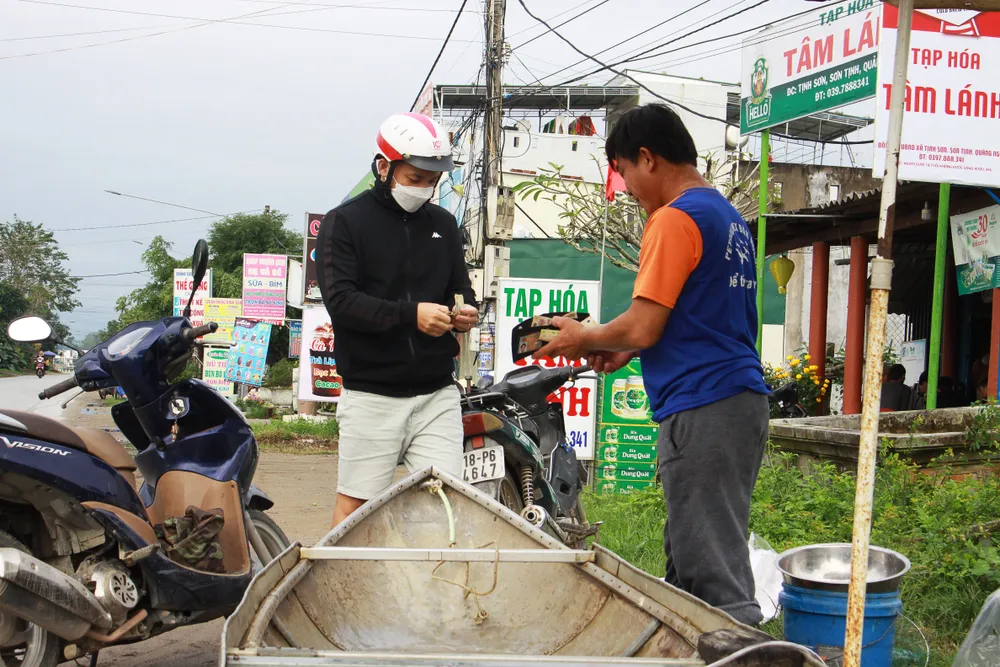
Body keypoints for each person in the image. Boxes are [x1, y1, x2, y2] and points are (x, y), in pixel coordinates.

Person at [533, 103, 769, 625]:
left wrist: (582, 337)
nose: (628, 189)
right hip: (738, 399)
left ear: (647, 158)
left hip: (704, 404)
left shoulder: (674, 218)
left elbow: (643, 324)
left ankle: (743, 652)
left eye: (623, 173)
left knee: (711, 569)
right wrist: (626, 347)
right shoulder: (727, 218)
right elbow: (693, 318)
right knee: (690, 555)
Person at [316, 112, 478, 528]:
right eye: (415, 177)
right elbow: (342, 300)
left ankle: (432, 593)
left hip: (435, 393)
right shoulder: (344, 222)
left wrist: (464, 312)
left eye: (432, 181)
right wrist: (411, 316)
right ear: (384, 166)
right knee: (356, 510)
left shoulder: (444, 224)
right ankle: (339, 592)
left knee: (446, 507)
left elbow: (460, 289)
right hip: (371, 393)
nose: (423, 189)